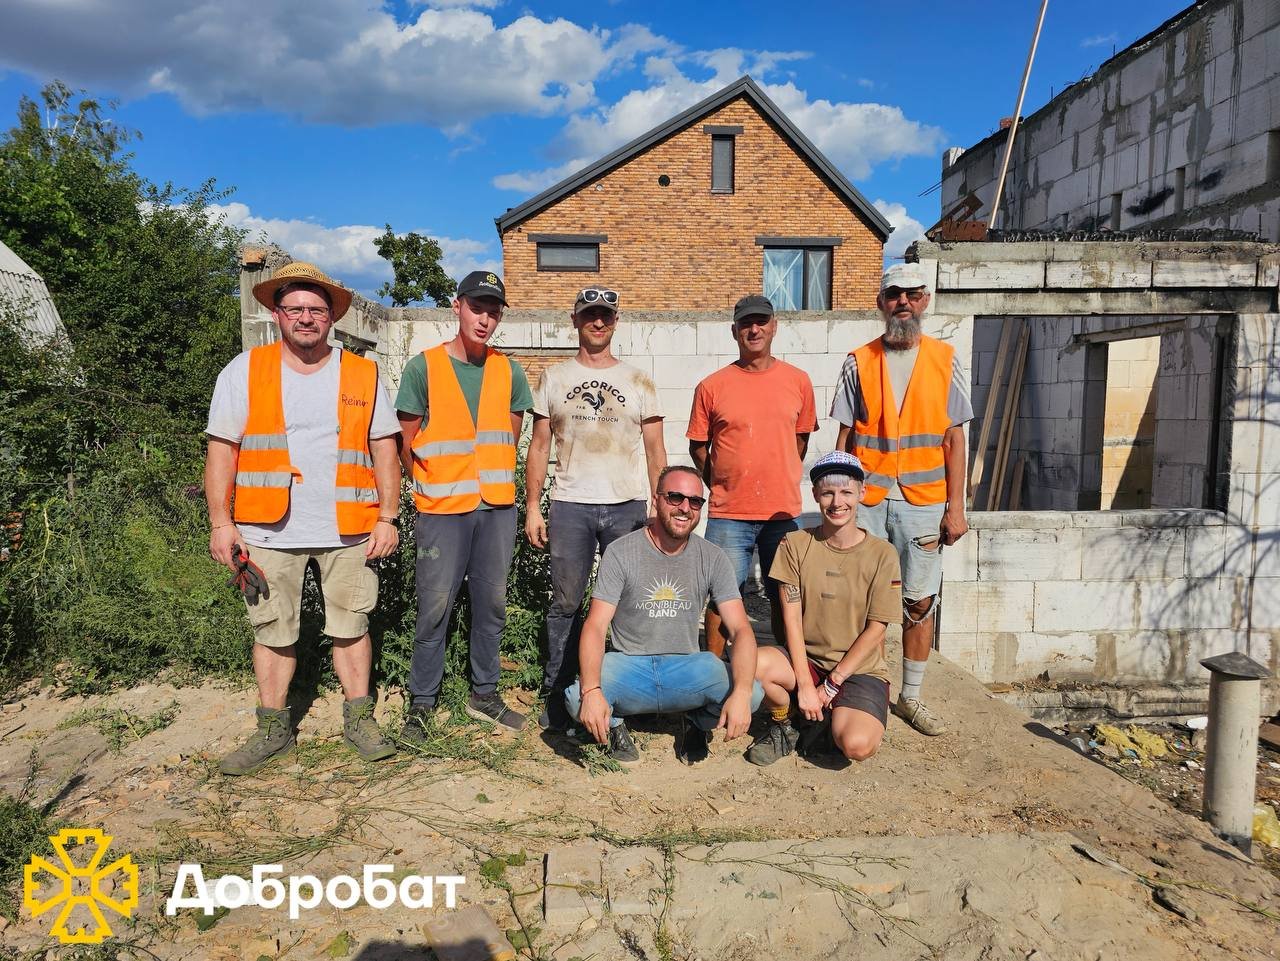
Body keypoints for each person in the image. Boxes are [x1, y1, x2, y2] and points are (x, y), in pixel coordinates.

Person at [205, 261, 401, 776]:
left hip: (349, 527)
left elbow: (384, 447)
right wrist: (221, 524)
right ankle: (273, 730)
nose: (306, 318)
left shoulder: (362, 372)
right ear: (276, 314)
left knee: (352, 624)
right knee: (272, 630)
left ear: (332, 316)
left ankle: (359, 719)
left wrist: (388, 515)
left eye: (317, 309)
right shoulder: (243, 371)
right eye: (295, 309)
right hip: (267, 528)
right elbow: (222, 451)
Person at [832, 263, 972, 736]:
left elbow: (954, 439)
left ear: (925, 300)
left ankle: (911, 696)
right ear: (881, 302)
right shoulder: (858, 361)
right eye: (894, 295)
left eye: (912, 295)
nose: (903, 304)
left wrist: (956, 506)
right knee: (856, 598)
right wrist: (839, 497)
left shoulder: (946, 359)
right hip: (867, 501)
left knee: (918, 600)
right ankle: (851, 687)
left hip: (923, 503)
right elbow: (844, 440)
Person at [395, 270, 534, 739]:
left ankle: (485, 693)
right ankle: (421, 702)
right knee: (434, 605)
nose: (485, 318)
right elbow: (406, 441)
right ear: (457, 307)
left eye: (493, 311)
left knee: (491, 603)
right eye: (477, 307)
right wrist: (433, 482)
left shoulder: (508, 370)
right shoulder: (424, 367)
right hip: (441, 507)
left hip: (495, 507)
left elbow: (510, 436)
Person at [525, 286, 667, 731]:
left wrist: (659, 506)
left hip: (627, 505)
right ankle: (560, 691)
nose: (598, 322)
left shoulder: (639, 380)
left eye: (605, 315)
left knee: (627, 601)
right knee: (566, 602)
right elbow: (540, 444)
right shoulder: (555, 377)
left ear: (616, 321)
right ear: (576, 321)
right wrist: (533, 506)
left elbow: (655, 450)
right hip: (571, 505)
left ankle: (623, 690)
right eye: (590, 315)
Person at [564, 466, 763, 764]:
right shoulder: (621, 552)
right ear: (656, 500)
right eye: (675, 497)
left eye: (695, 501)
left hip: (687, 666)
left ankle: (697, 723)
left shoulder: (712, 557)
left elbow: (741, 630)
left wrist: (742, 692)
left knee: (753, 694)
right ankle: (615, 723)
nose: (685, 508)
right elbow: (595, 626)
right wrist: (592, 690)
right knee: (576, 698)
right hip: (630, 665)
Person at [747, 451, 901, 765]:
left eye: (846, 492)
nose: (837, 502)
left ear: (862, 493)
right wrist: (805, 684)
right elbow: (792, 621)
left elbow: (877, 628)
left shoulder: (883, 554)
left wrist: (831, 685)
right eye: (828, 492)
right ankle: (786, 722)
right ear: (816, 494)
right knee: (751, 663)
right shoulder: (794, 544)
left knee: (857, 746)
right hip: (806, 660)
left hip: (857, 669)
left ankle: (827, 720)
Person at [687, 295, 817, 652]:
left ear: (774, 327)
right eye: (746, 323)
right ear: (734, 331)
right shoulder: (712, 386)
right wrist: (723, 480)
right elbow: (698, 445)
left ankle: (787, 671)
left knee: (785, 595)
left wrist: (777, 470)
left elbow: (801, 438)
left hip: (782, 512)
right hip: (730, 515)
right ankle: (712, 675)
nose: (754, 329)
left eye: (761, 322)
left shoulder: (798, 381)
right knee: (722, 595)